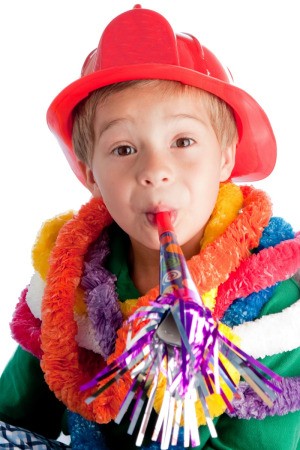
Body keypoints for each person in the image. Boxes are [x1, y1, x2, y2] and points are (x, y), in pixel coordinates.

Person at [0, 5, 299, 450]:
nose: (155, 170)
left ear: (226, 156)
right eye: (123, 149)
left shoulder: (272, 298)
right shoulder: (69, 289)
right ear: (88, 174)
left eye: (182, 141)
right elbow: (16, 413)